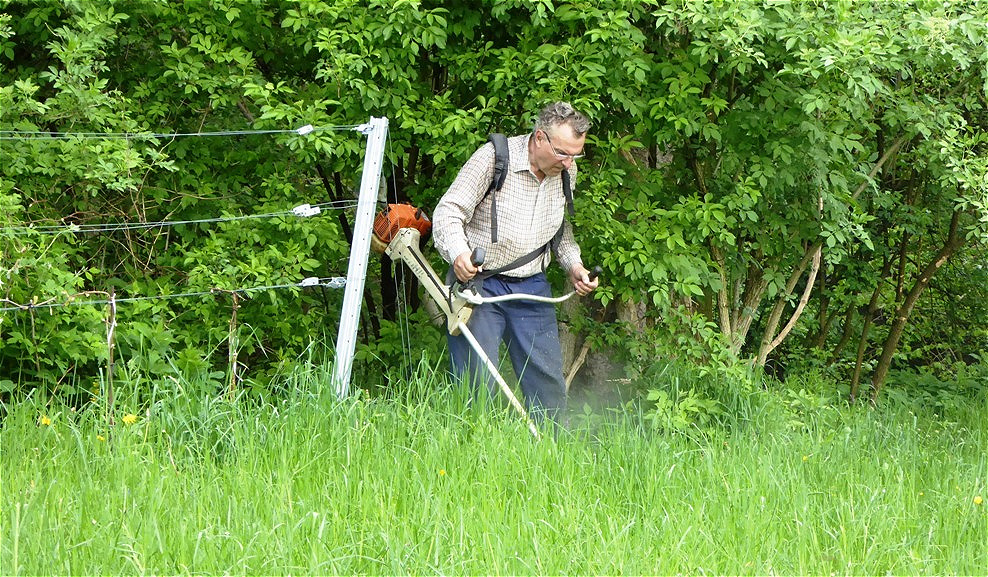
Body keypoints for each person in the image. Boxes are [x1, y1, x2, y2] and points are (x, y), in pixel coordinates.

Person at [432, 101, 599, 423]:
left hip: (531, 285)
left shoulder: (566, 171)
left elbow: (560, 231)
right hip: (479, 282)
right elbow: (449, 211)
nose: (569, 163)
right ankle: (471, 450)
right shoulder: (493, 159)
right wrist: (458, 255)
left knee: (547, 378)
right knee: (476, 379)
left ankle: (553, 452)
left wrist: (575, 267)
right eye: (563, 153)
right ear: (539, 138)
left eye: (576, 155)